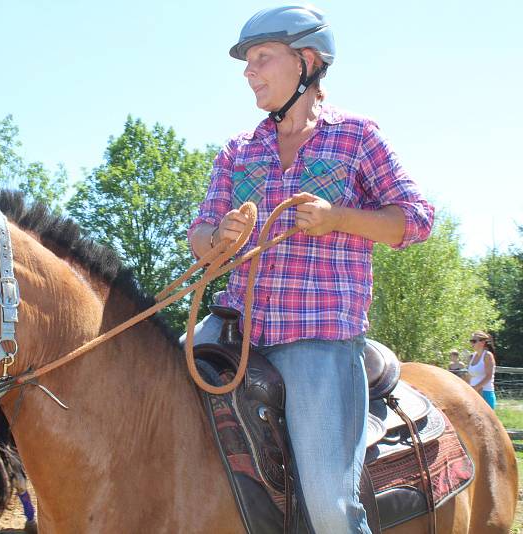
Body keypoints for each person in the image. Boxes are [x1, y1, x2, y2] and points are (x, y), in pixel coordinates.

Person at [187, 6, 434, 532]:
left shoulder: (357, 137)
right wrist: (220, 238)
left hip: (318, 340)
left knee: (328, 508)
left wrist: (337, 218)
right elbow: (199, 237)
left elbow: (415, 220)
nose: (248, 72)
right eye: (246, 62)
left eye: (260, 58)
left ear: (306, 62)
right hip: (231, 330)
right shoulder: (238, 152)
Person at [467, 331, 496, 409]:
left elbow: (488, 376)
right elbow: (469, 377)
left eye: (474, 341)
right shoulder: (471, 357)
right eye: (471, 341)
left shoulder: (488, 356)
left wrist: (475, 388)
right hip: (473, 392)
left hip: (485, 393)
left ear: (482, 342)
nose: (471, 343)